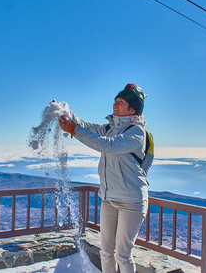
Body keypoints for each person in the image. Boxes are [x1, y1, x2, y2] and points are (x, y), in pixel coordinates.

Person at [58, 83, 152, 273]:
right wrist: (66, 112)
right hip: (109, 199)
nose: (114, 105)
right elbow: (87, 127)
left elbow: (106, 145)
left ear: (133, 109)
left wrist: (74, 130)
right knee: (106, 252)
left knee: (123, 255)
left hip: (131, 202)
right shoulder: (111, 128)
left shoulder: (136, 133)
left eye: (121, 102)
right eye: (115, 101)